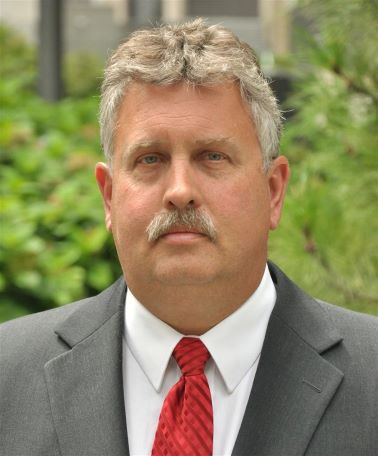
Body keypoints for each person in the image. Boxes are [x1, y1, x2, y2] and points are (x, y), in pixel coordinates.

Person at [0, 19, 377, 456]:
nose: (180, 191)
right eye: (150, 158)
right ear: (108, 197)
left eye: (212, 156)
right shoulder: (8, 377)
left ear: (273, 191)